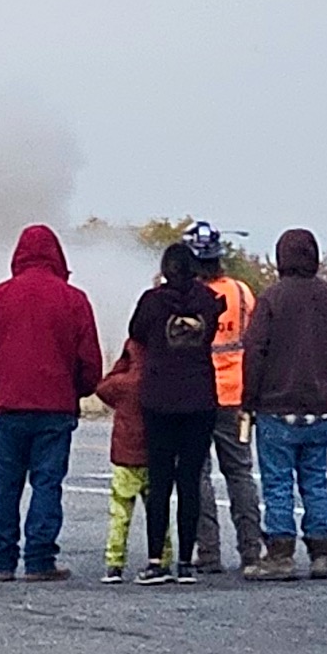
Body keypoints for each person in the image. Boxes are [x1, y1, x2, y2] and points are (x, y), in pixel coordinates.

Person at [0, 224, 102, 583]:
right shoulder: (73, 299)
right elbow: (89, 359)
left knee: (5, 484)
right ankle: (40, 558)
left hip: (9, 405)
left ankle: (2, 560)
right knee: (47, 483)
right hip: (55, 407)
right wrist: (78, 390)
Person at [239, 227, 327, 580]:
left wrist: (249, 398)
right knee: (315, 480)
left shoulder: (272, 298)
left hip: (275, 405)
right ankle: (321, 552)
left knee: (277, 483)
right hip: (317, 404)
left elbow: (255, 350)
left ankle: (281, 554)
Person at [126, 241, 227, 585]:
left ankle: (156, 560)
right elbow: (211, 330)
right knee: (190, 481)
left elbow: (136, 332)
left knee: (160, 481)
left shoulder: (152, 302)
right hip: (200, 398)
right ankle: (186, 560)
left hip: (160, 399)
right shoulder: (208, 301)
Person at [187, 224, 267, 576]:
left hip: (196, 395)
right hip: (235, 395)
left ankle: (208, 553)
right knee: (239, 474)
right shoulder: (240, 292)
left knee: (198, 475)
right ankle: (251, 550)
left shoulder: (184, 296)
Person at [97, 342, 156, 582]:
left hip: (124, 457)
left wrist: (121, 364)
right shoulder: (157, 382)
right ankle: (161, 557)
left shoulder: (121, 385)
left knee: (120, 512)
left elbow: (102, 388)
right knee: (156, 510)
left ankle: (115, 562)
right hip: (152, 457)